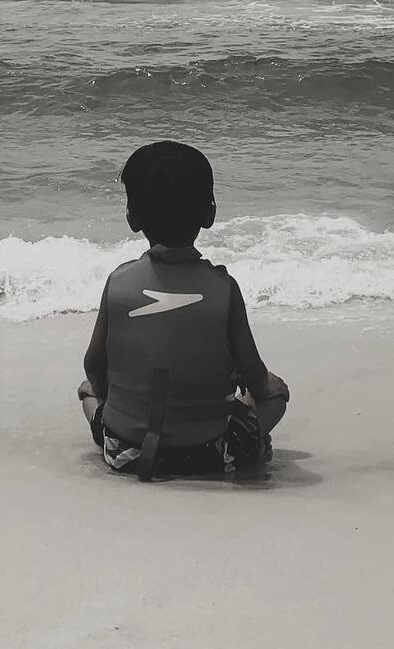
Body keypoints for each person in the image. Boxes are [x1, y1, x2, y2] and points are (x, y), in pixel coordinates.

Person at [78, 140, 290, 481]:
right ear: (210, 214)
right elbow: (257, 377)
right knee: (277, 395)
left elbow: (93, 364)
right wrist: (256, 395)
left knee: (87, 390)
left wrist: (111, 395)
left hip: (124, 451)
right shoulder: (224, 288)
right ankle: (249, 452)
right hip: (210, 455)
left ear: (132, 217)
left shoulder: (118, 282)